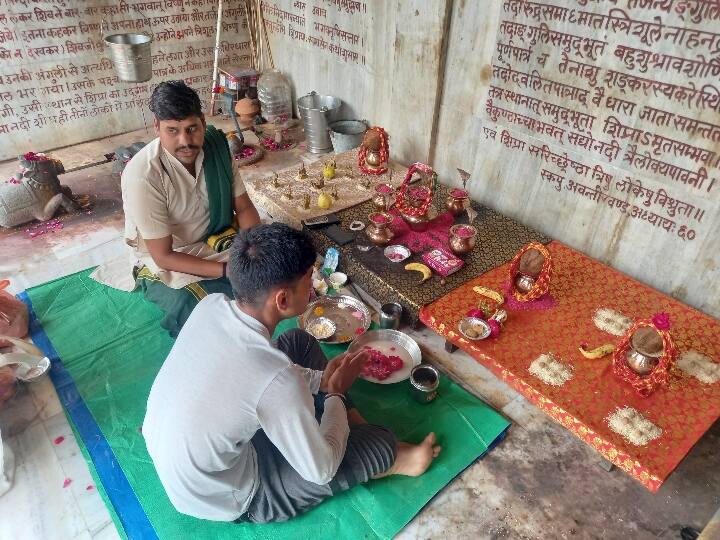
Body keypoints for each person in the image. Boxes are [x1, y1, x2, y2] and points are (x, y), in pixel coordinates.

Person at [142, 223, 442, 523]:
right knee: (379, 444)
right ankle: (394, 455)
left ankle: (346, 427)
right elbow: (320, 470)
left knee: (299, 341)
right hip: (235, 495)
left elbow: (260, 378)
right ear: (282, 300)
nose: (312, 287)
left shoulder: (211, 305)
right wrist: (335, 394)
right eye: (309, 279)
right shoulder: (277, 381)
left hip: (199, 459)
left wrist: (322, 381)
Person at [93, 80, 260, 336]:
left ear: (203, 122)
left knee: (273, 263)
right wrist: (230, 270)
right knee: (194, 308)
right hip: (170, 257)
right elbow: (163, 256)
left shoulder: (216, 147)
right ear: (157, 127)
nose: (185, 141)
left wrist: (254, 251)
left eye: (192, 128)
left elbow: (245, 208)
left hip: (219, 239)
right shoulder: (143, 174)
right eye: (173, 130)